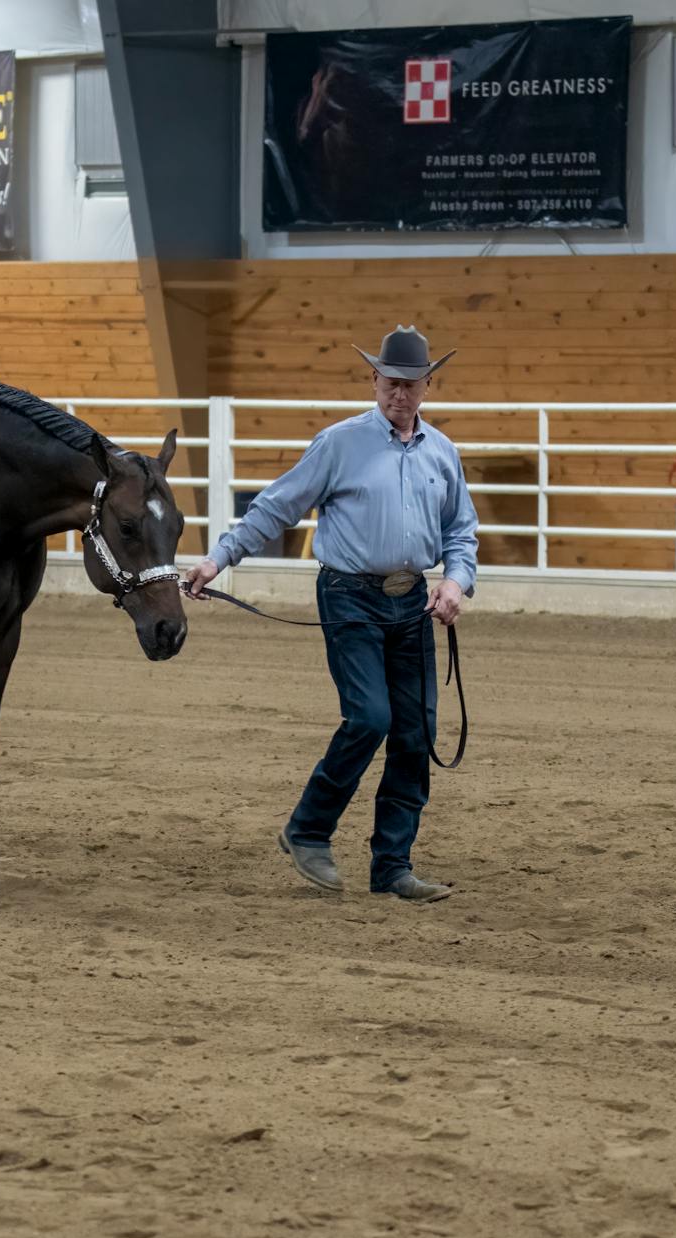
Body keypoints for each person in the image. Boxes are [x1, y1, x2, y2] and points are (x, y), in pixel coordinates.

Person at [183, 326, 479, 903]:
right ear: (374, 381)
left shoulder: (443, 453)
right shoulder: (339, 443)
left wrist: (455, 582)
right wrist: (220, 558)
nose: (400, 394)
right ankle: (308, 829)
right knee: (370, 717)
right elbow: (277, 506)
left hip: (414, 600)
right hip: (350, 595)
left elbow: (460, 532)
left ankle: (392, 866)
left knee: (415, 732)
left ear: (426, 386)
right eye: (391, 383)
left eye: (410, 385)